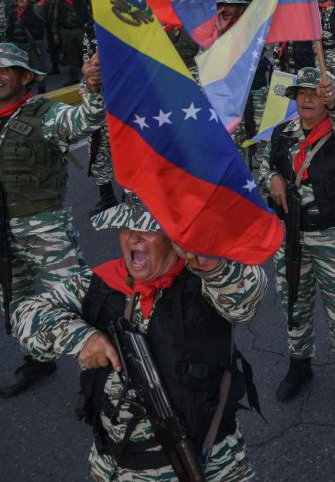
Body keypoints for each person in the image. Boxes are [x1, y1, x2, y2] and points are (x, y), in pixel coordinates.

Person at [13, 192, 266, 480]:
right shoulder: (98, 285)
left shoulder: (207, 281)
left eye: (147, 229)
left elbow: (247, 297)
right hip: (119, 468)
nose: (134, 238)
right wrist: (79, 337)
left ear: (175, 239)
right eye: (127, 228)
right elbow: (25, 316)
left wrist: (209, 261)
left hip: (211, 462)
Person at [255, 67, 335, 408]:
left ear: (327, 98)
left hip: (333, 237)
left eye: (314, 93)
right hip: (293, 236)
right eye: (301, 93)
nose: (306, 99)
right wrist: (272, 178)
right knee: (294, 304)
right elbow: (263, 166)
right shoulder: (283, 134)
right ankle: (299, 367)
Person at [0, 43, 105, 397]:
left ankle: (103, 373)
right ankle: (38, 357)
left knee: (72, 299)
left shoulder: (44, 113)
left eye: (5, 69)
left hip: (45, 229)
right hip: (4, 230)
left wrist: (91, 88)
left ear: (25, 76)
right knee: (16, 300)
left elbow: (84, 121)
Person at [50, 0, 94, 86]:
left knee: (86, 53)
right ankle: (73, 77)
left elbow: (87, 14)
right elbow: (56, 18)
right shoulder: (60, 0)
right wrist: (55, 33)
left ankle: (90, 75)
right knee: (70, 54)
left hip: (80, 30)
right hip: (66, 31)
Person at [6, 0, 49, 91]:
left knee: (38, 67)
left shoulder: (35, 9)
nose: (21, 0)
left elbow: (44, 8)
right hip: (17, 45)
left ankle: (42, 90)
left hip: (33, 45)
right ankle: (26, 89)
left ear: (29, 1)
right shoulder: (13, 12)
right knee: (22, 68)